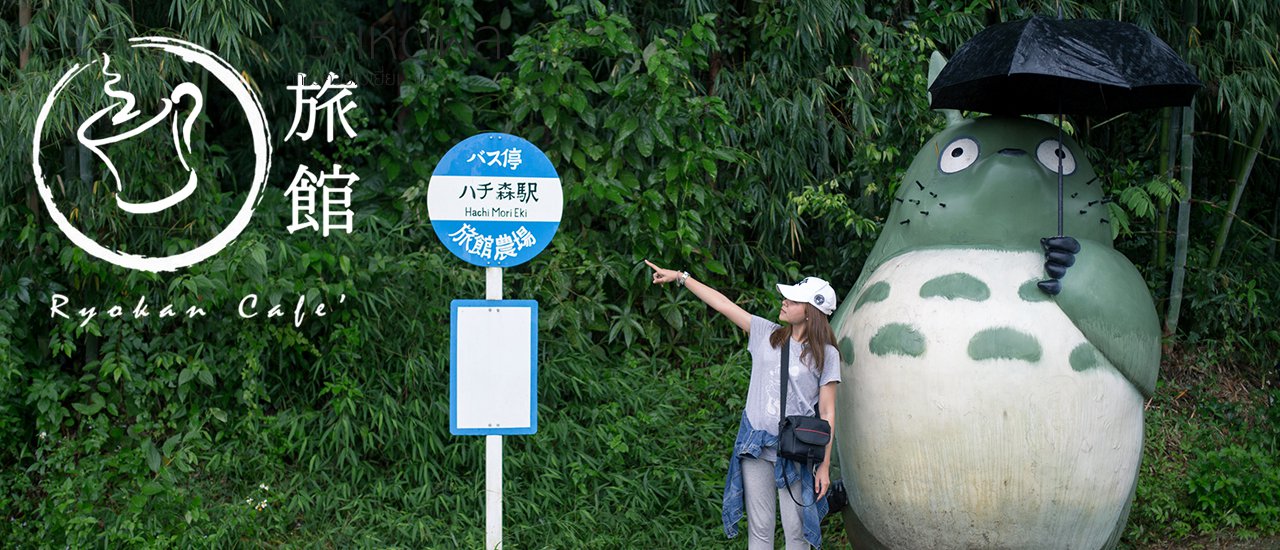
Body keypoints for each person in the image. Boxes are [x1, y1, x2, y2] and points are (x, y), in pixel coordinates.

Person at [644, 260, 841, 549]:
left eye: (793, 300)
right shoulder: (767, 334)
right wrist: (681, 278)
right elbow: (723, 304)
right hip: (756, 444)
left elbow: (827, 413)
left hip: (796, 449)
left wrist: (824, 466)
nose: (784, 302)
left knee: (796, 533)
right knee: (760, 530)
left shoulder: (826, 354)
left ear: (810, 313)